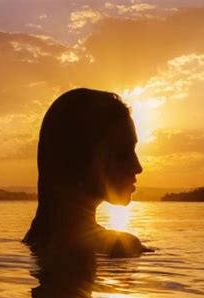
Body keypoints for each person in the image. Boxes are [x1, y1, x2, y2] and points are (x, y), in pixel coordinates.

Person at [23, 88, 153, 257]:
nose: (137, 167)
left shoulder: (34, 240)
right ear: (79, 160)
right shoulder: (120, 247)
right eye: (122, 153)